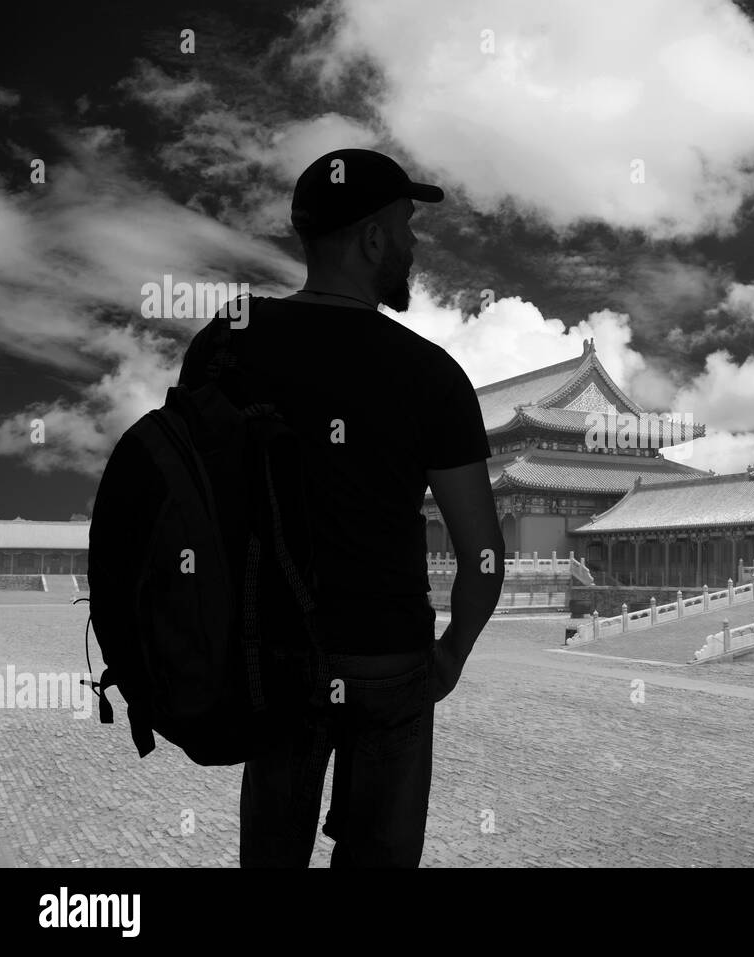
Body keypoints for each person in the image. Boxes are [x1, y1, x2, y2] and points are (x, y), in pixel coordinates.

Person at [177, 148, 505, 867]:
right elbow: (483, 554)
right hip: (390, 659)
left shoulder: (226, 341)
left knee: (271, 855)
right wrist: (448, 657)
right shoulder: (430, 374)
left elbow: (190, 504)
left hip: (270, 655)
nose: (416, 245)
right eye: (408, 227)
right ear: (373, 239)